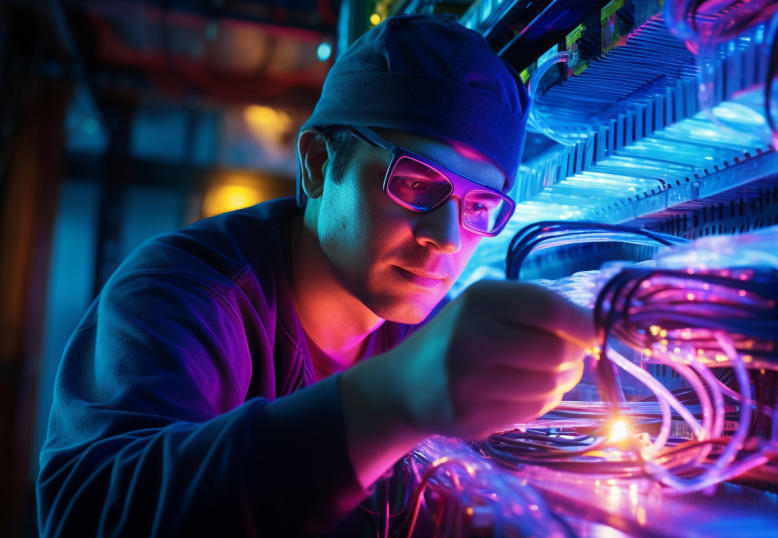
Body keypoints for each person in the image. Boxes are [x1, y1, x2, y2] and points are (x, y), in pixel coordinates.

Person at [36, 14, 594, 537]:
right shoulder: (184, 293)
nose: (447, 237)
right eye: (417, 182)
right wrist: (392, 397)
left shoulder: (427, 331)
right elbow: (90, 516)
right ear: (319, 164)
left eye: (479, 207)